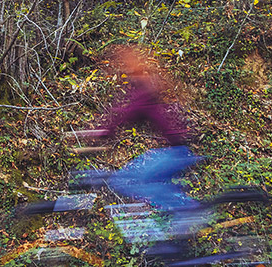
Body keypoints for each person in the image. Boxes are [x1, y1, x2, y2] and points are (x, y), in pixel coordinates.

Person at [69, 45, 210, 252]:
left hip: (177, 152)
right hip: (176, 151)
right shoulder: (143, 92)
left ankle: (186, 208)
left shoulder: (144, 93)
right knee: (139, 180)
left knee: (132, 182)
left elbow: (125, 115)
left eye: (129, 68)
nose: (126, 72)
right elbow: (126, 114)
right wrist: (101, 132)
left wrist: (98, 133)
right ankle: (181, 221)